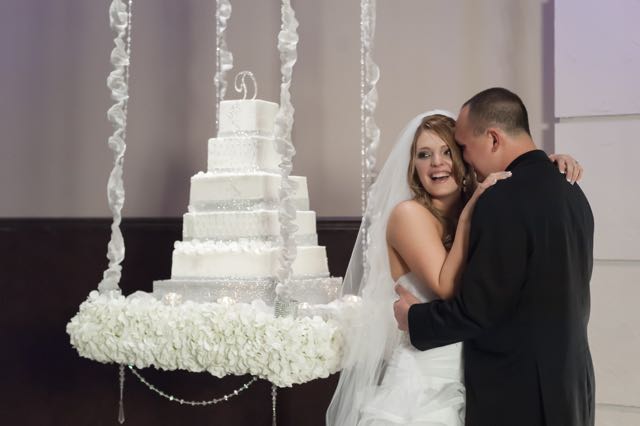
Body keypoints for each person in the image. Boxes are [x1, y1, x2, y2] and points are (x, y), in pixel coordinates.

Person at [327, 101, 583, 425]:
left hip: (472, 381)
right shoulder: (409, 215)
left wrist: (544, 165)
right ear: (413, 166)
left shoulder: (489, 208)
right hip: (423, 384)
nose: (437, 163)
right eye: (424, 154)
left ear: (465, 156)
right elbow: (447, 287)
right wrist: (469, 212)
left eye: (447, 151)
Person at [393, 88, 595, 426]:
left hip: (520, 392)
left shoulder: (501, 200)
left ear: (493, 139)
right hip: (570, 382)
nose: (463, 158)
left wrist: (414, 320)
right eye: (425, 154)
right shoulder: (570, 187)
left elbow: (480, 309)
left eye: (460, 148)